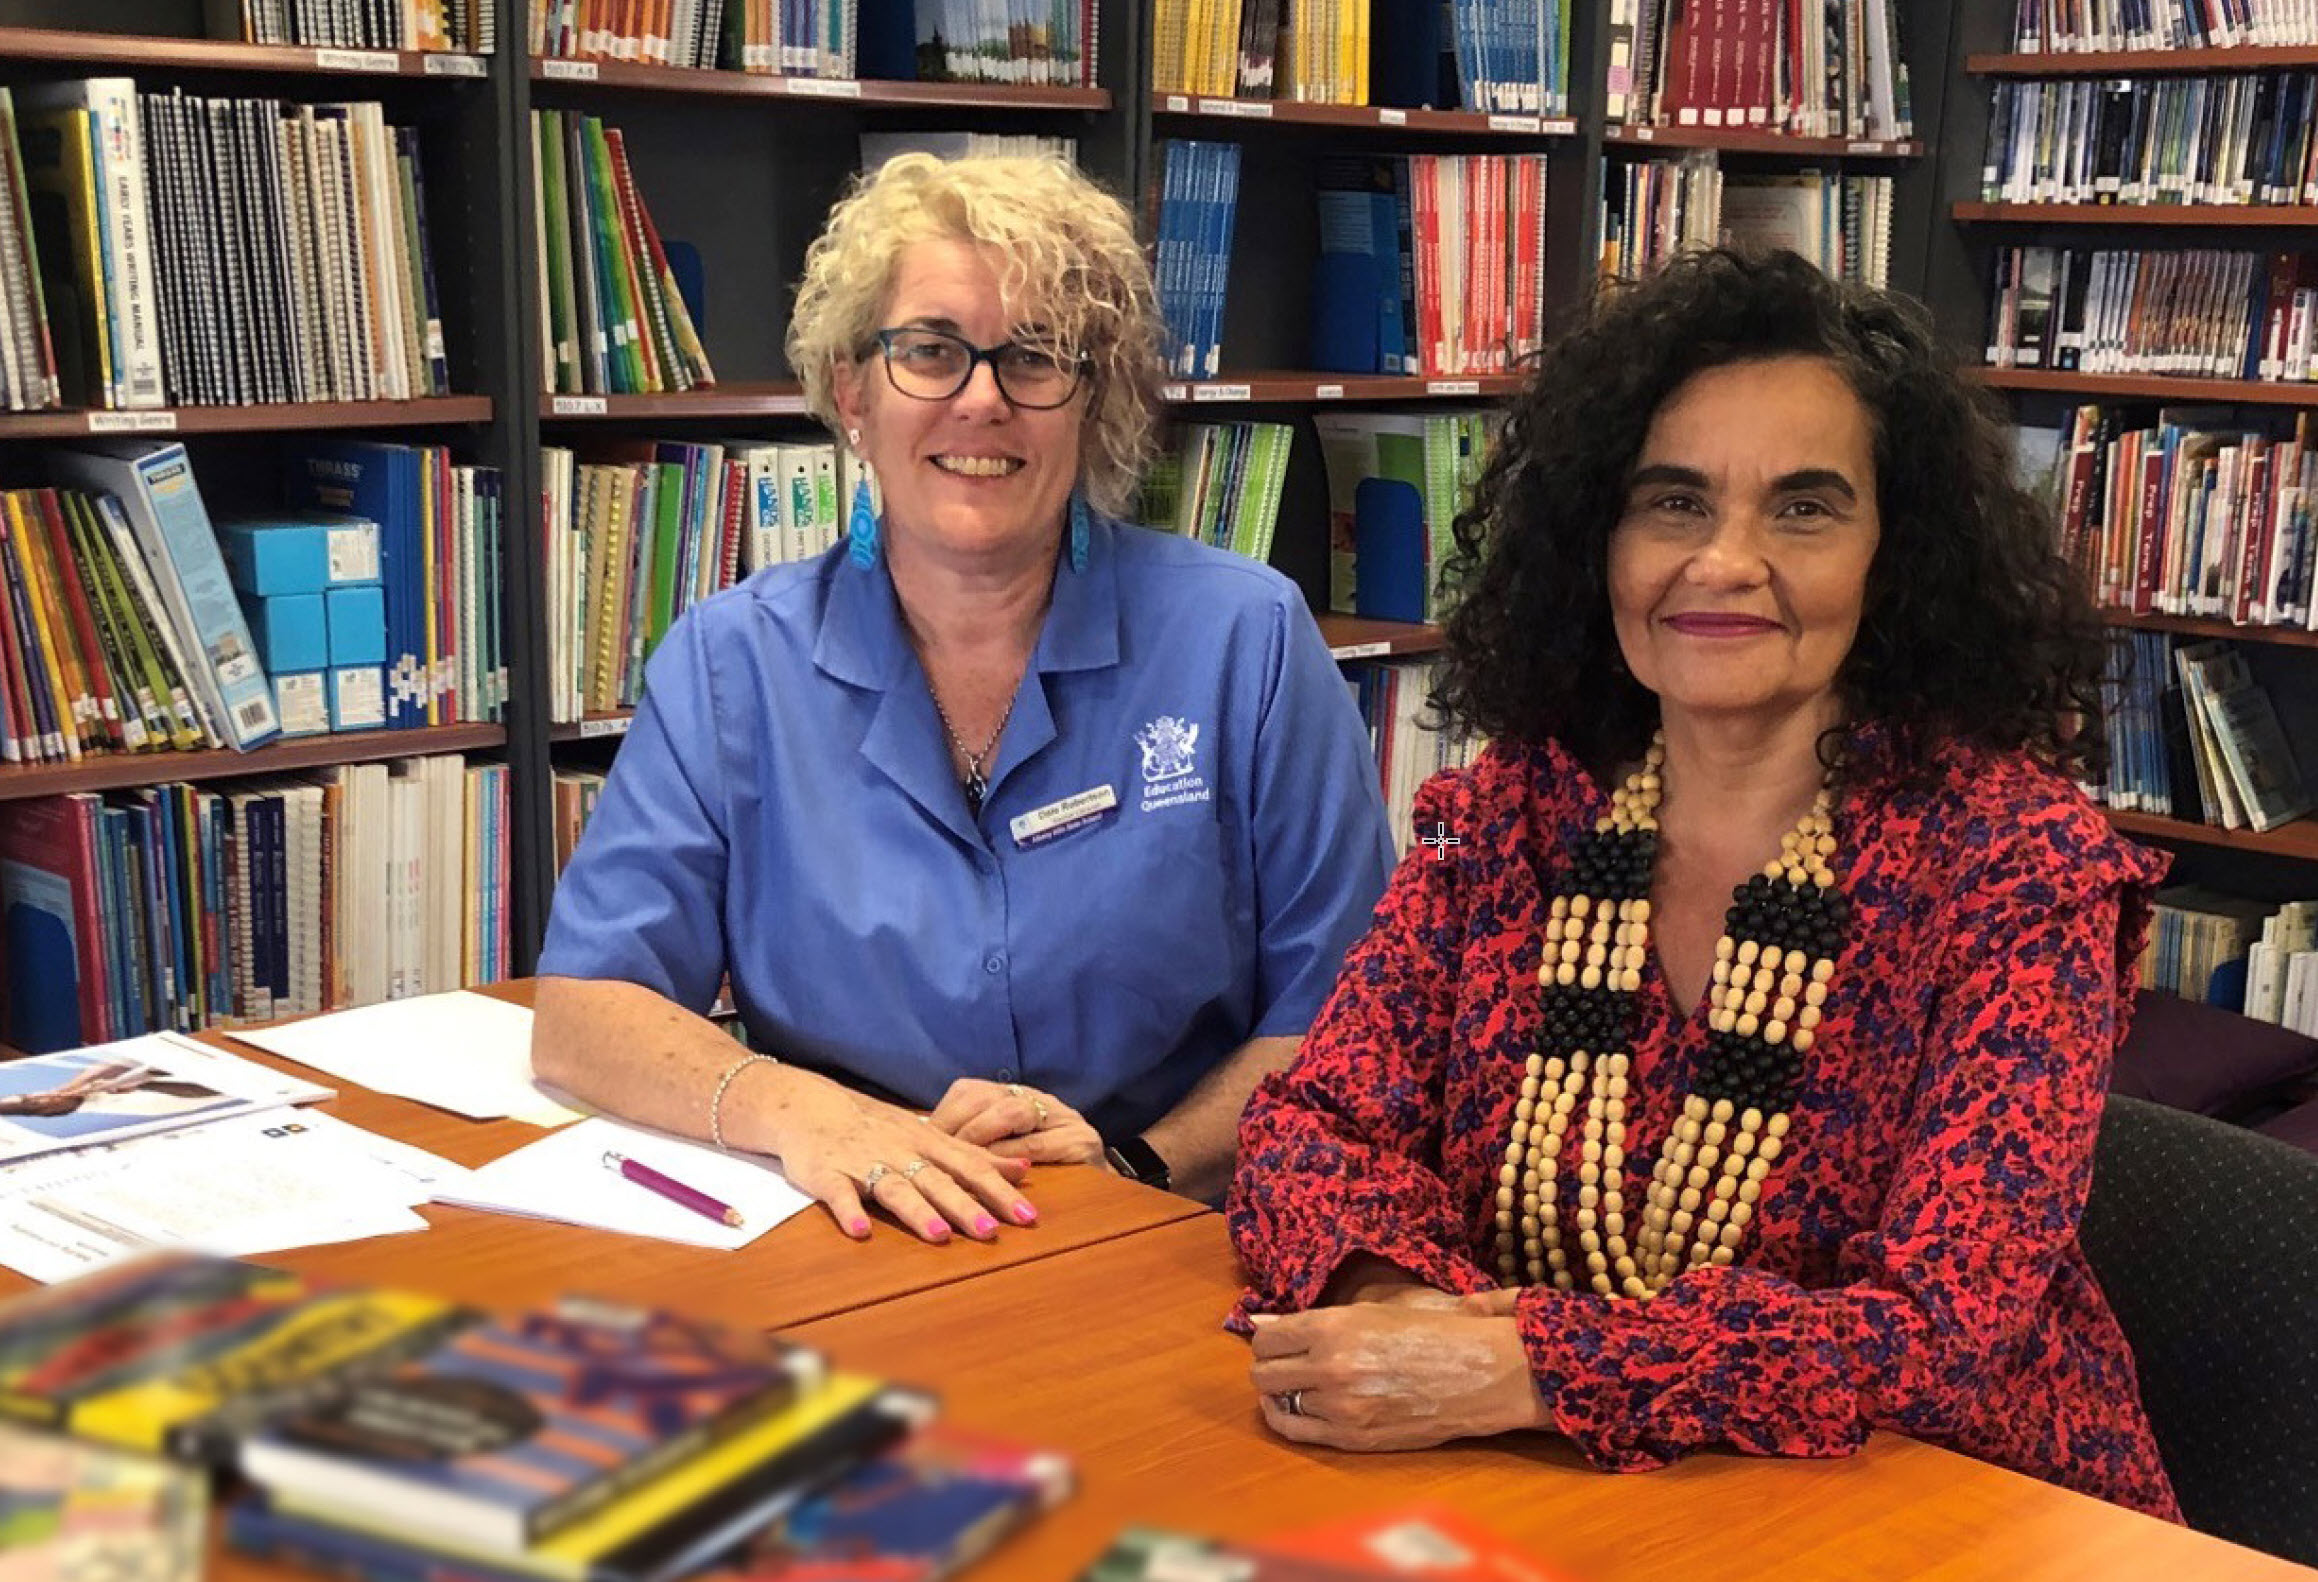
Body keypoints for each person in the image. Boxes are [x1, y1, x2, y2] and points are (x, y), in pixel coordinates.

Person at [1226, 248, 2180, 1520]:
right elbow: (1310, 1130)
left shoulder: (2018, 870)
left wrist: (1531, 1365)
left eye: (1802, 507)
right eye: (1671, 502)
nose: (1722, 561)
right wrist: (1393, 1313)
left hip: (1943, 1511)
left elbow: (1940, 1332)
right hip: (1548, 1491)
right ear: (1596, 540)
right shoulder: (1513, 813)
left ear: (1894, 557)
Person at [533, 153, 1395, 1246]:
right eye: (930, 351)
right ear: (852, 391)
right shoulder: (730, 665)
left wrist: (1139, 1165)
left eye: (1033, 357)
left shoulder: (1246, 641)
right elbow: (582, 1013)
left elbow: (1351, 1014)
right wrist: (804, 1112)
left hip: (1167, 1232)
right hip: (854, 1232)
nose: (980, 399)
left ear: (1094, 398)